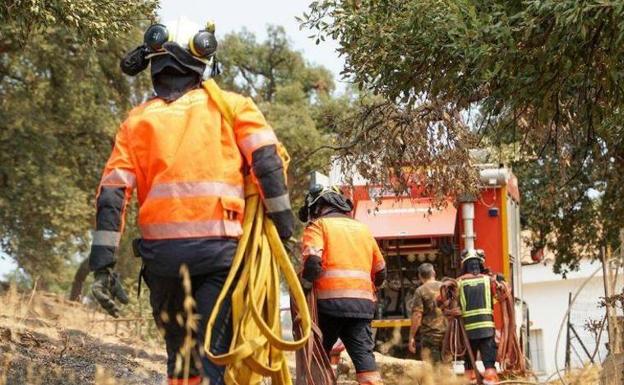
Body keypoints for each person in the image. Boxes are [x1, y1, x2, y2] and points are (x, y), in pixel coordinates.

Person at [87, 18, 294, 385]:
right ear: (203, 61)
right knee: (213, 355)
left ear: (154, 64)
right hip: (219, 256)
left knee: (181, 362)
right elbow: (266, 162)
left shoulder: (136, 122)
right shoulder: (234, 107)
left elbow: (112, 193)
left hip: (161, 261)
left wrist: (102, 265)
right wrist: (284, 226)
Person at [298, 185, 387, 385]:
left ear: (318, 206)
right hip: (362, 308)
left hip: (328, 307)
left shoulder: (318, 226)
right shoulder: (363, 230)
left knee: (317, 359)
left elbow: (312, 262)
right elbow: (381, 271)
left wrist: (303, 287)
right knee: (365, 361)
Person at [457, 249, 501, 384]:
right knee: (489, 364)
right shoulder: (489, 281)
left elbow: (442, 300)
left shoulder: (458, 283)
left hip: (467, 332)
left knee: (469, 365)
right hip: (487, 330)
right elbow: (501, 296)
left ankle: (470, 380)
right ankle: (490, 381)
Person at [407, 263, 447, 363]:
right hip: (447, 334)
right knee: (447, 366)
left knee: (432, 368)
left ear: (420, 276)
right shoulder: (446, 287)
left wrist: (411, 336)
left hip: (430, 337)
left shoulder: (420, 291)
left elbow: (417, 315)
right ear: (434, 273)